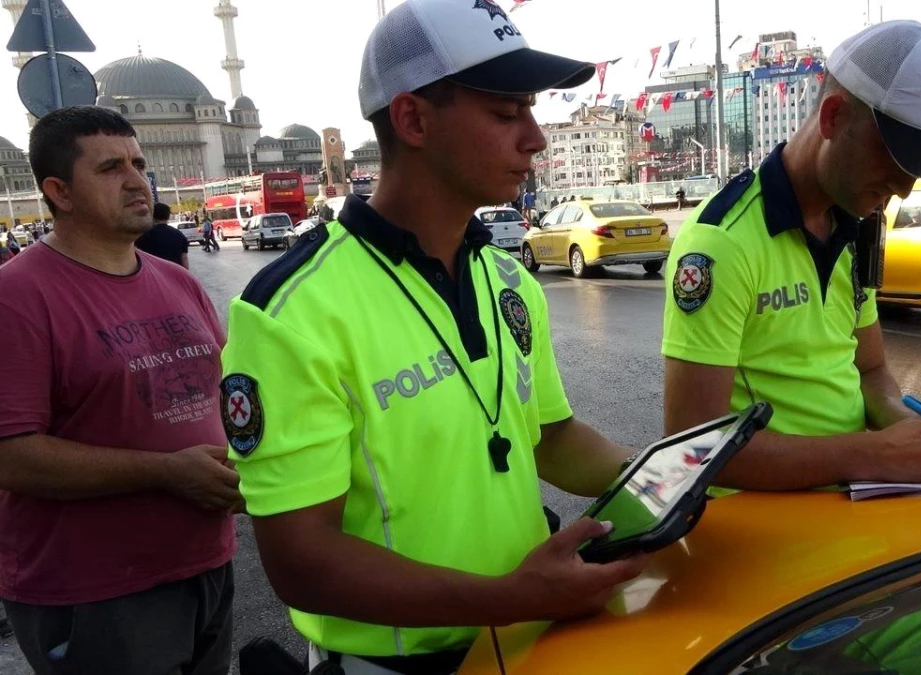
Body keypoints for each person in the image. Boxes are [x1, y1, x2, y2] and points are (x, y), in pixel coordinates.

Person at [219, 1, 648, 673]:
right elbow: (303, 561)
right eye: (507, 114)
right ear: (413, 119)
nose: (535, 138)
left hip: (528, 639)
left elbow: (549, 437)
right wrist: (507, 597)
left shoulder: (507, 277)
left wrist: (665, 477)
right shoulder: (288, 311)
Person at [661, 20, 921, 492]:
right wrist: (873, 454)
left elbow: (870, 371)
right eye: (896, 160)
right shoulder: (720, 243)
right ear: (833, 117)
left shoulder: (856, 226)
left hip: (852, 505)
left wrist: (910, 429)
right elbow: (691, 448)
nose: (903, 189)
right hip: (762, 529)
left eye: (918, 171)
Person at [0, 106, 238, 674]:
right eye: (110, 168)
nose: (137, 180)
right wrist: (166, 472)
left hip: (208, 563)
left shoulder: (177, 281)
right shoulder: (17, 297)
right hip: (96, 591)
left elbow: (231, 387)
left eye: (139, 162)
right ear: (58, 191)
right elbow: (11, 456)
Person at [135, 201, 191, 268]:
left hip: (152, 274)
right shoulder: (179, 235)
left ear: (152, 215)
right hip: (175, 273)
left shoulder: (143, 235)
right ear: (168, 216)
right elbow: (184, 258)